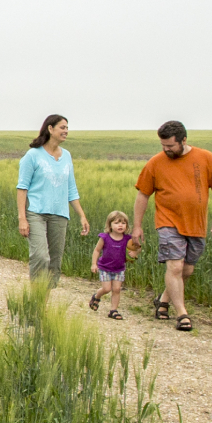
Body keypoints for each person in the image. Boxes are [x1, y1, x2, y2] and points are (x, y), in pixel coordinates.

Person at [133, 120, 212, 331]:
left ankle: (163, 300)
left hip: (196, 224)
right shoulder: (155, 163)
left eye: (170, 146)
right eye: (163, 146)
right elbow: (143, 195)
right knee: (175, 266)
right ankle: (182, 314)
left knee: (187, 269)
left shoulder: (206, 158)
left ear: (183, 140)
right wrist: (137, 226)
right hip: (168, 222)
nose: (165, 150)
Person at [17, 114, 90, 286]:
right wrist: (22, 218)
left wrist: (82, 216)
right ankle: (36, 297)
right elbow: (22, 188)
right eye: (62, 127)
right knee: (41, 256)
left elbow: (71, 189)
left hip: (60, 215)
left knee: (54, 263)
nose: (66, 131)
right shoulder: (33, 155)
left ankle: (43, 302)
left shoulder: (67, 156)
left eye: (67, 128)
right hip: (36, 214)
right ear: (50, 129)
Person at [88, 211, 139, 320]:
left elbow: (137, 248)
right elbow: (97, 250)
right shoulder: (105, 237)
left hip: (119, 268)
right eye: (116, 223)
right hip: (105, 268)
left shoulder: (127, 239)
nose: (120, 225)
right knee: (106, 289)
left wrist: (135, 253)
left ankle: (113, 310)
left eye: (123, 223)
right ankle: (96, 296)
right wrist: (94, 264)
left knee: (116, 289)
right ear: (109, 225)